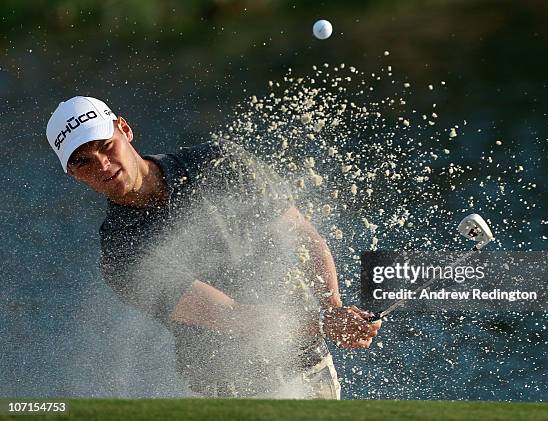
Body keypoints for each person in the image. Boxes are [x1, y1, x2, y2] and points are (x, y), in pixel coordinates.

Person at [45, 96, 382, 399]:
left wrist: (331, 305)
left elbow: (303, 237)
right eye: (84, 162)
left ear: (125, 129)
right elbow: (229, 315)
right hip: (225, 392)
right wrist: (324, 321)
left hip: (306, 369)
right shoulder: (121, 252)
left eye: (106, 145)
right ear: (73, 174)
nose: (103, 165)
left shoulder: (219, 163)